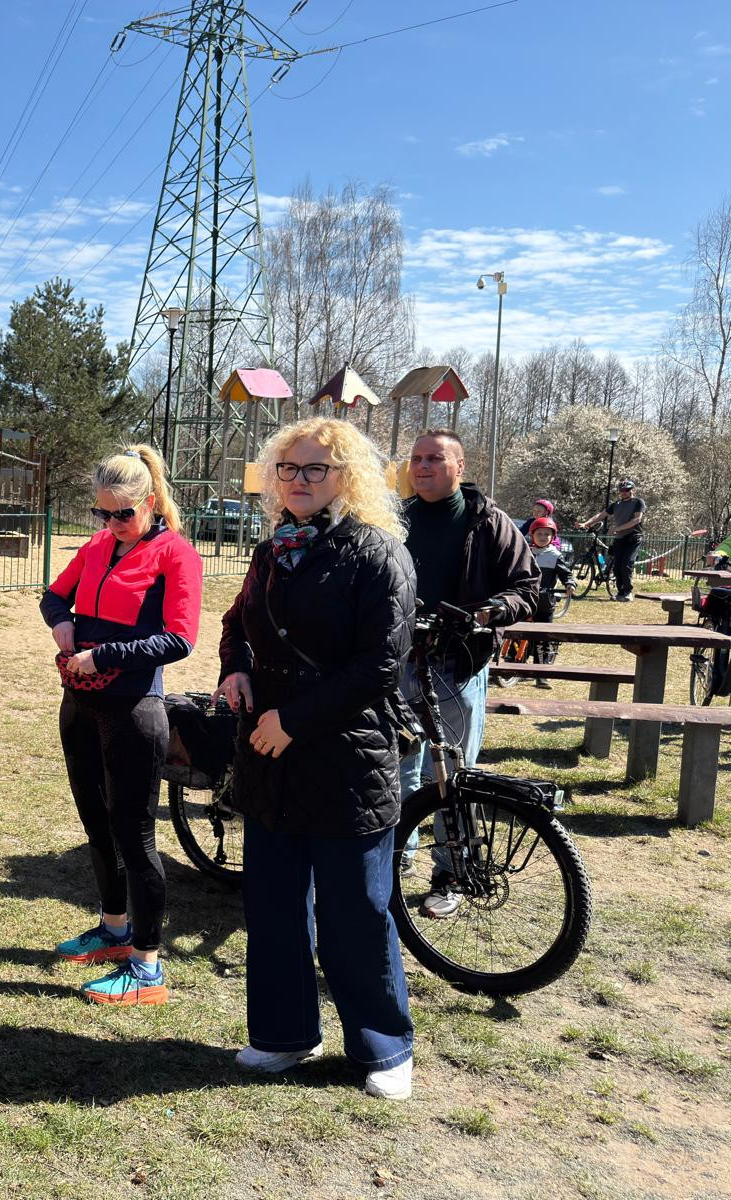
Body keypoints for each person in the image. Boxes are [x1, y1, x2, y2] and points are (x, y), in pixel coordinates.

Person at [217, 416, 417, 1101]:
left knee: (355, 911)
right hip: (270, 757)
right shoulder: (272, 550)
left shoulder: (379, 553)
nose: (298, 480)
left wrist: (295, 721)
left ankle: (383, 1045)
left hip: (347, 756)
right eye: (288, 468)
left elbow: (380, 664)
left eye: (315, 469)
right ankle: (284, 1034)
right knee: (273, 907)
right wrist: (236, 669)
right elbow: (236, 624)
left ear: (346, 477)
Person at [39, 445, 202, 1007]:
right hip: (80, 703)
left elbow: (179, 639)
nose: (111, 523)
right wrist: (61, 623)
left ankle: (147, 967)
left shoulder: (176, 554)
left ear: (150, 503)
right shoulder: (98, 546)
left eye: (122, 514)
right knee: (96, 821)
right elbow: (53, 595)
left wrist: (103, 656)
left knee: (135, 835)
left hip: (133, 710)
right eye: (102, 512)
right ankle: (113, 929)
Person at [400, 429, 537, 917]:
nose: (423, 466)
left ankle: (452, 871)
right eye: (417, 458)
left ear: (459, 466)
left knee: (454, 774)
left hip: (457, 662)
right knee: (398, 766)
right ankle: (399, 853)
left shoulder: (488, 521)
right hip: (399, 661)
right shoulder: (395, 519)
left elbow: (528, 587)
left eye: (435, 458)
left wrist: (490, 611)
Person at [580, 479, 645, 602]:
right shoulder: (616, 504)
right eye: (622, 490)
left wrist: (617, 528)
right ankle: (620, 593)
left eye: (627, 490)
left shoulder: (638, 502)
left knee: (626, 565)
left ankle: (628, 592)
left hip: (633, 538)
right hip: (619, 538)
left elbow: (637, 520)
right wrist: (586, 523)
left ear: (633, 490)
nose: (624, 492)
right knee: (617, 566)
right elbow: (601, 515)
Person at [525, 517, 565, 685]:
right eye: (539, 534)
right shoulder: (525, 552)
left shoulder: (555, 556)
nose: (542, 537)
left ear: (552, 537)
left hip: (544, 601)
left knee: (543, 637)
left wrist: (570, 584)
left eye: (546, 534)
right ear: (532, 535)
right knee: (518, 633)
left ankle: (542, 673)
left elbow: (566, 574)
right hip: (525, 599)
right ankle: (513, 666)